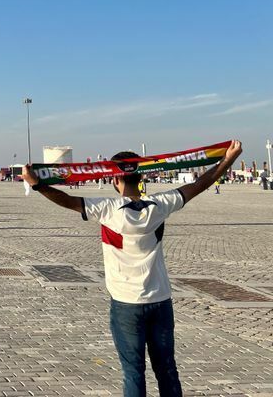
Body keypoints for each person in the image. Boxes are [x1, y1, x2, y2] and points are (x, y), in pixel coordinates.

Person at [22, 139, 243, 396]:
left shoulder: (107, 209)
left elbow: (65, 199)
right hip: (160, 300)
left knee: (133, 371)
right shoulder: (160, 205)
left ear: (115, 179)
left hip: (126, 303)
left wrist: (36, 184)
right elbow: (199, 185)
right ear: (139, 177)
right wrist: (228, 159)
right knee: (167, 369)